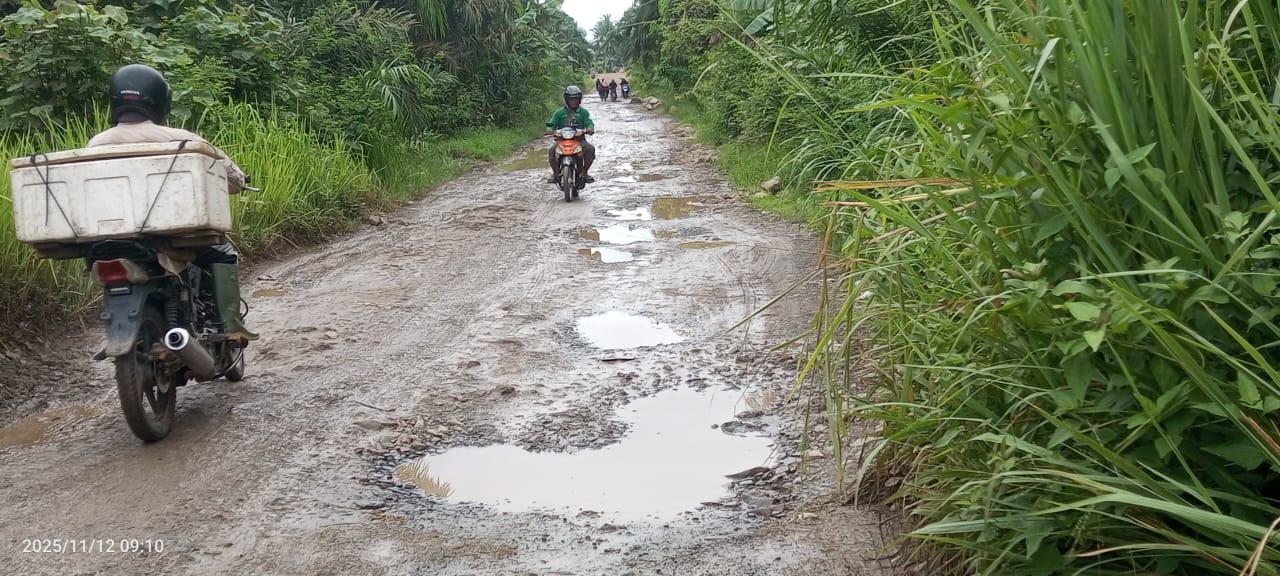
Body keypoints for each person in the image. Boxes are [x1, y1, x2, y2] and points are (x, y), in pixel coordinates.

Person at [87, 64, 258, 342]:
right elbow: (232, 179)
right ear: (159, 101)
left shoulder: (95, 144)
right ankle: (231, 327)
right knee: (224, 254)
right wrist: (238, 181)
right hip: (175, 239)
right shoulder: (183, 139)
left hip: (113, 240)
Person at [546, 85, 595, 184]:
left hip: (579, 140)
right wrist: (551, 130)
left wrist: (589, 129)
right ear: (567, 99)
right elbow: (552, 123)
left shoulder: (583, 112)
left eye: (576, 99)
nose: (574, 101)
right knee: (552, 151)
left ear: (579, 99)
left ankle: (584, 172)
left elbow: (589, 123)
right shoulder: (559, 112)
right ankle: (555, 173)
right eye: (571, 99)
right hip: (562, 140)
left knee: (590, 149)